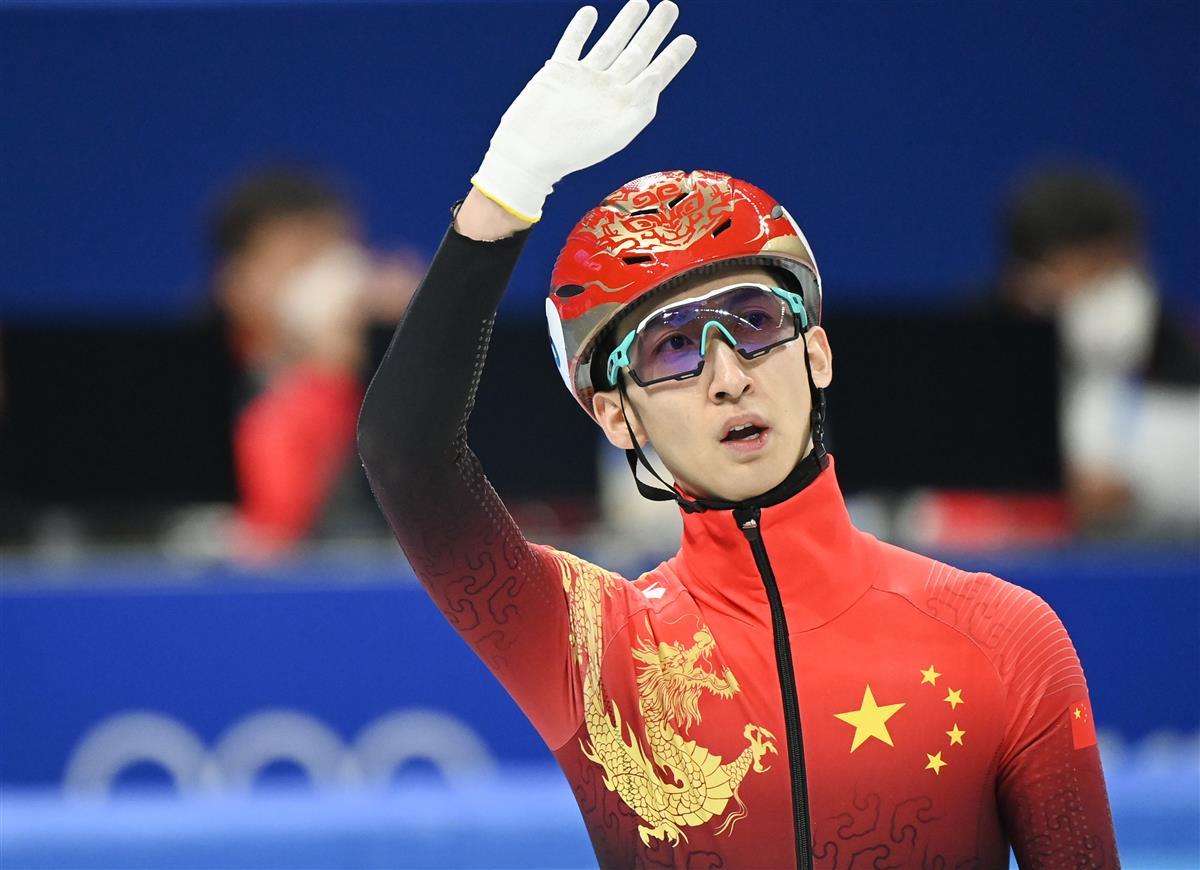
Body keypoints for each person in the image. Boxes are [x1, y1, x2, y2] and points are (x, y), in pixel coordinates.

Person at [357, 3, 1118, 866]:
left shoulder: (1006, 637)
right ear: (615, 415)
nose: (728, 375)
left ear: (817, 354)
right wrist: (503, 195)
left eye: (754, 322)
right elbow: (405, 456)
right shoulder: (589, 648)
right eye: (673, 348)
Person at [210, 168, 421, 554]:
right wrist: (324, 378)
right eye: (300, 262)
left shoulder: (391, 379)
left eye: (339, 258)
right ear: (236, 284)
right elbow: (272, 535)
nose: (332, 284)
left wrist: (431, 343)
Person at [999, 167, 1200, 537]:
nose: (1115, 284)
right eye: (1092, 269)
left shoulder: (1176, 345)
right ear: (1029, 279)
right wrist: (1047, 489)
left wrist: (1141, 489)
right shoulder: (976, 357)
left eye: (1123, 263)